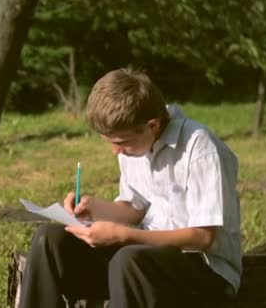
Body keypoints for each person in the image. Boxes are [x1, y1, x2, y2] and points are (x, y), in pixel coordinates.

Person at [18, 68, 241, 308]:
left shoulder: (200, 148)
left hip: (204, 272)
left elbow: (203, 237)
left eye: (120, 142)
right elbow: (135, 208)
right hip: (140, 262)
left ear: (152, 125)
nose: (116, 151)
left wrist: (124, 236)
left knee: (128, 259)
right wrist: (93, 208)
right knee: (50, 239)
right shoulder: (136, 143)